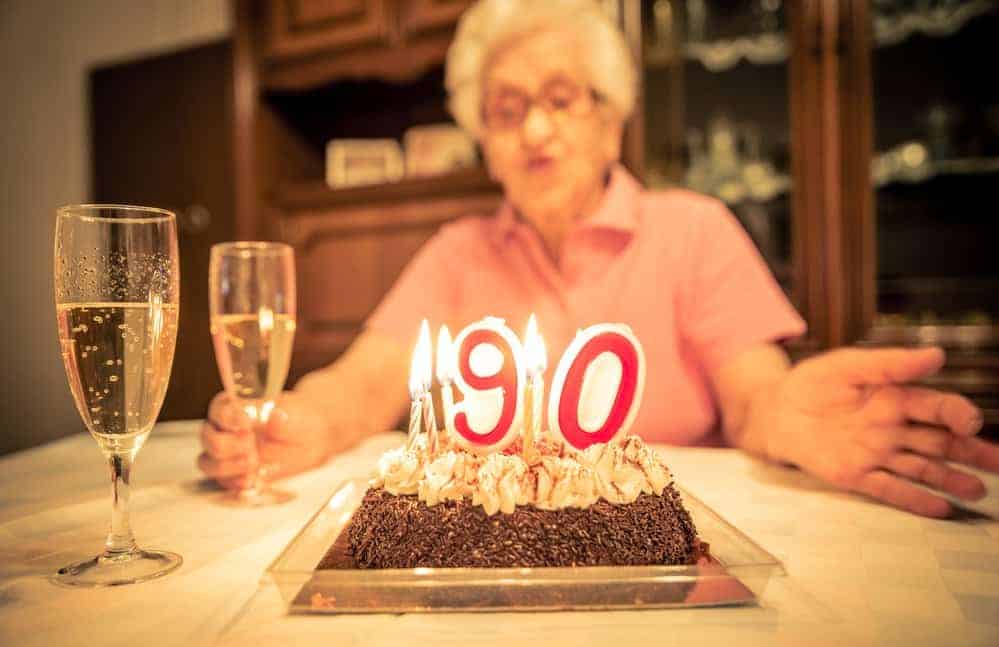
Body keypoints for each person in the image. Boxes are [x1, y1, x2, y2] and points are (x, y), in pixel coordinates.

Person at [199, 0, 996, 518]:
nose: (534, 132)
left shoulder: (693, 228)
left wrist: (792, 412)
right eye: (506, 111)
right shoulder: (456, 252)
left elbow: (756, 399)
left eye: (559, 98)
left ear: (610, 118)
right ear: (484, 138)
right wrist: (296, 419)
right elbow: (363, 384)